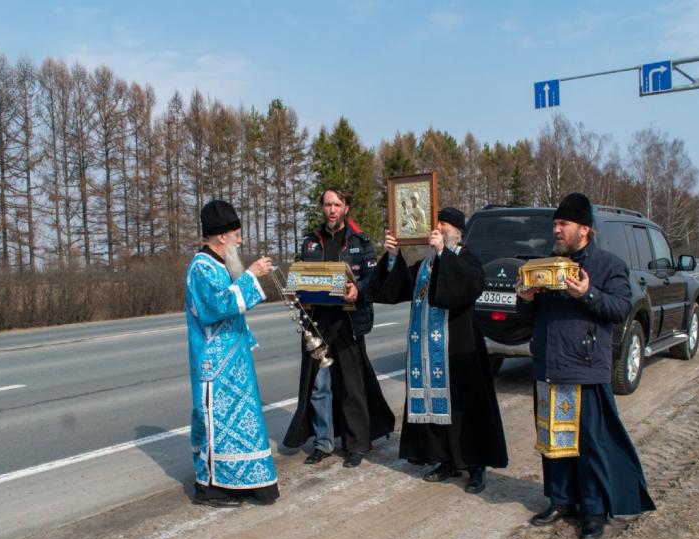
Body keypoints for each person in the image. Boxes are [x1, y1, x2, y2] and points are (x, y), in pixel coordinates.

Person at [517, 192, 655, 539]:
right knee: (553, 439)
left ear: (585, 229)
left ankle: (594, 510)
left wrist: (586, 294)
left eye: (563, 224)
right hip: (549, 365)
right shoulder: (548, 266)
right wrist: (526, 299)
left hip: (585, 367)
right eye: (555, 224)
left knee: (590, 444)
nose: (556, 230)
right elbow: (529, 317)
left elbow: (620, 309)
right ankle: (561, 500)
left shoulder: (609, 265)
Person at [368, 207, 508, 493]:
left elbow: (468, 286)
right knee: (435, 406)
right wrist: (393, 256)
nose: (440, 227)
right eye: (438, 223)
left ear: (458, 231)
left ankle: (475, 467)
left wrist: (444, 253)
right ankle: (445, 460)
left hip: (459, 350)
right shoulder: (426, 264)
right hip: (428, 351)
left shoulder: (467, 258)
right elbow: (397, 288)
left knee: (466, 409)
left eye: (445, 223)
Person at [283, 187, 395, 468]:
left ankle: (356, 445)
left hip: (348, 322)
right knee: (319, 386)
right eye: (327, 204)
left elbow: (373, 280)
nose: (331, 209)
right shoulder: (311, 242)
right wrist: (295, 292)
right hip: (318, 323)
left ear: (346, 208)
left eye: (336, 204)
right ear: (322, 208)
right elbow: (302, 279)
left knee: (351, 387)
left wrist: (358, 290)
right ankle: (323, 443)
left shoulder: (360, 241)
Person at [185, 199, 279, 507]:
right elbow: (216, 307)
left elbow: (232, 308)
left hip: (234, 362)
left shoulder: (220, 265)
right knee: (214, 425)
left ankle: (241, 482)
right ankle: (209, 487)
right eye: (237, 235)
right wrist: (250, 275)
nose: (240, 241)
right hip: (213, 365)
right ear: (222, 236)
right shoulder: (201, 267)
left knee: (240, 426)